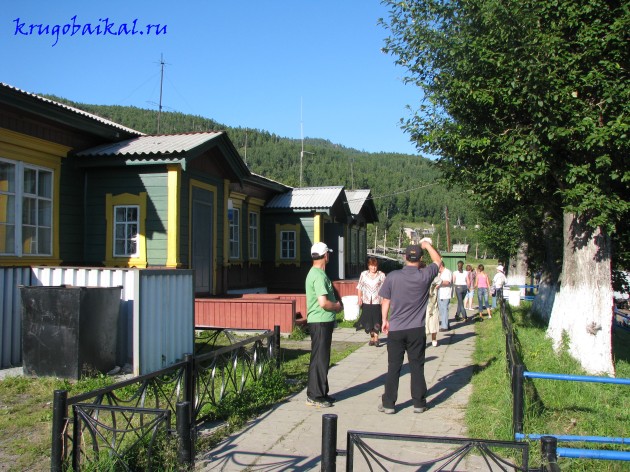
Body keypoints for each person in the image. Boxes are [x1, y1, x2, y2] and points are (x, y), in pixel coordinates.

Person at [378, 239, 441, 414]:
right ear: (420, 259)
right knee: (417, 366)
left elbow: (386, 300)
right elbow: (438, 261)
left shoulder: (393, 276)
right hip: (416, 329)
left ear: (405, 257)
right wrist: (427, 245)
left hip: (396, 329)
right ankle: (419, 403)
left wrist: (385, 320)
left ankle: (389, 403)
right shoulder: (425, 275)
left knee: (394, 367)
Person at [305, 241, 343, 408]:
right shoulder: (319, 276)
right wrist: (337, 306)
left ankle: (321, 392)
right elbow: (323, 302)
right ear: (325, 255)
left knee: (320, 358)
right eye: (329, 254)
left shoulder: (315, 273)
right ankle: (315, 395)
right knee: (320, 358)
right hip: (320, 321)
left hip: (320, 321)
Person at [355, 257, 386, 346]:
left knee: (376, 319)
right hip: (366, 301)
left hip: (377, 301)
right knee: (368, 320)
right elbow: (360, 287)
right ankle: (372, 337)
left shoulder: (381, 275)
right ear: (368, 266)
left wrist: (384, 299)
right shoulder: (364, 274)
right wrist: (359, 298)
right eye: (372, 266)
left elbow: (385, 288)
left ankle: (376, 338)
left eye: (375, 266)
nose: (373, 268)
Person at [436, 261, 452, 331]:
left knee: (444, 309)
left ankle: (444, 326)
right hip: (440, 292)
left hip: (445, 293)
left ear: (441, 266)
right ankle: (446, 324)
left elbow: (447, 282)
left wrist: (439, 283)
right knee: (441, 310)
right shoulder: (440, 273)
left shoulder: (447, 272)